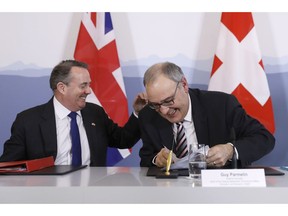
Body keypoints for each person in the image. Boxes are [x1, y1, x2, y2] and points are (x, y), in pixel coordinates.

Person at [0, 60, 145, 166]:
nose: (89, 91)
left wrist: (138, 113)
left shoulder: (95, 113)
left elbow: (123, 140)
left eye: (89, 85)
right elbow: (8, 166)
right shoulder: (28, 121)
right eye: (83, 86)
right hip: (47, 195)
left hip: (91, 192)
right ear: (62, 88)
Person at [138, 62, 275, 168]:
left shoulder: (221, 105)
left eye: (168, 101)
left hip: (219, 193)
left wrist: (230, 150)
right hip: (171, 195)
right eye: (156, 105)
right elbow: (146, 158)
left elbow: (264, 138)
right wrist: (157, 160)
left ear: (184, 85)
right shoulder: (148, 115)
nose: (163, 111)